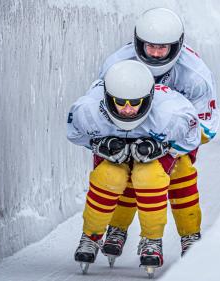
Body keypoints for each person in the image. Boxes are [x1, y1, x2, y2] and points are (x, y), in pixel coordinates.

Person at [98, 7, 218, 259]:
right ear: (137, 42)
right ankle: (117, 228)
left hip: (176, 137)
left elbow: (206, 127)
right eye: (149, 46)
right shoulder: (117, 65)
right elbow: (101, 110)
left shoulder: (195, 75)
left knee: (179, 171)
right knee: (124, 167)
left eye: (162, 48)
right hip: (126, 131)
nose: (154, 53)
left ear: (177, 47)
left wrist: (168, 147)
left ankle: (189, 233)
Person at [67, 60, 200, 272]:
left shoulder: (172, 113)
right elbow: (74, 133)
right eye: (120, 102)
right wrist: (99, 145)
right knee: (109, 176)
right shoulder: (88, 110)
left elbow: (192, 139)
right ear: (107, 98)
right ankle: (91, 235)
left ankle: (153, 239)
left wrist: (163, 148)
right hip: (118, 150)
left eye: (135, 102)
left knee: (151, 176)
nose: (128, 110)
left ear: (148, 98)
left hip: (159, 147)